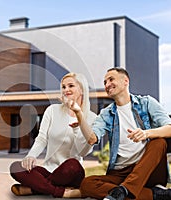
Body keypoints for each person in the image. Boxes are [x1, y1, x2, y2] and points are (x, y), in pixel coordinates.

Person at [65, 67, 171, 200]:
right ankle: (155, 195)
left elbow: (170, 128)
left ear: (125, 81)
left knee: (159, 142)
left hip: (148, 169)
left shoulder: (147, 103)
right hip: (121, 173)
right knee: (87, 184)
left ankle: (123, 190)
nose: (107, 84)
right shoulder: (106, 113)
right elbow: (92, 138)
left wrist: (146, 133)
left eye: (111, 79)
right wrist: (79, 114)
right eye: (105, 82)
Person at [9, 72, 97, 198]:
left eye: (70, 86)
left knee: (72, 164)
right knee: (16, 167)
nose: (66, 90)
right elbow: (42, 138)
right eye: (63, 87)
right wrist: (31, 155)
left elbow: (83, 151)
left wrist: (78, 121)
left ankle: (34, 188)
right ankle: (62, 192)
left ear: (82, 89)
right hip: (49, 170)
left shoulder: (92, 118)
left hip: (72, 172)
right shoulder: (52, 110)